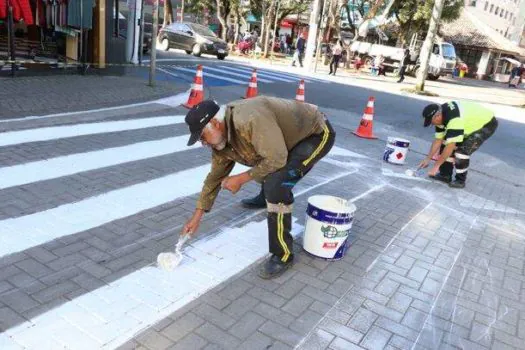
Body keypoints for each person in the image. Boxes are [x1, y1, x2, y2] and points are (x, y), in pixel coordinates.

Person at [181, 97, 336, 279]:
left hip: (315, 134)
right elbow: (214, 179)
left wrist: (240, 179)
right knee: (264, 158)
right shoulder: (221, 142)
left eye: (202, 136)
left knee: (276, 185)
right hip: (285, 141)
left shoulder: (249, 120)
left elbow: (277, 158)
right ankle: (264, 198)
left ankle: (283, 254)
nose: (203, 143)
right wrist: (197, 216)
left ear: (215, 123)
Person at [418, 101, 498, 188]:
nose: (432, 124)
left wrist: (436, 166)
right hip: (466, 123)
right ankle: (445, 175)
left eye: (432, 122)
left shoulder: (453, 120)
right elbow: (438, 140)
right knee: (446, 142)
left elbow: (450, 146)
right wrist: (427, 158)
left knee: (462, 151)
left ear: (438, 116)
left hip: (486, 124)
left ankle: (460, 181)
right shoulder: (441, 115)